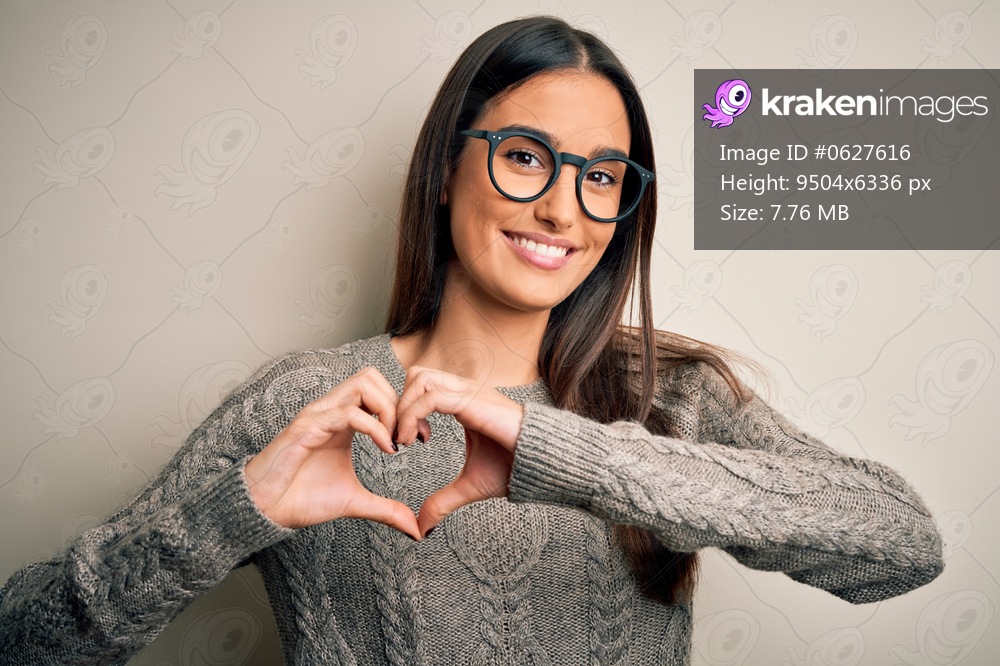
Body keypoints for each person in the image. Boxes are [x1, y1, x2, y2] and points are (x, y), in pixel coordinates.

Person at [0, 15, 943, 665]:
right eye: (527, 155)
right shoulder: (313, 406)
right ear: (447, 166)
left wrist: (560, 454)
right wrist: (224, 516)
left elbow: (901, 544)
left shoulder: (673, 400)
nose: (563, 207)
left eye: (604, 176)